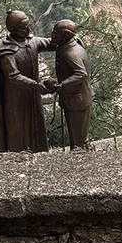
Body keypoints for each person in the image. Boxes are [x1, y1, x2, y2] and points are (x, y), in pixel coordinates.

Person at [0, 9, 54, 153]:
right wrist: (35, 85)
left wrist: (70, 38)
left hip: (33, 96)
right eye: (24, 27)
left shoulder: (33, 42)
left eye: (28, 25)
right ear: (14, 30)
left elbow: (51, 43)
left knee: (36, 128)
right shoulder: (7, 52)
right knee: (18, 130)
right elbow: (13, 76)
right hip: (15, 101)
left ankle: (38, 154)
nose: (28, 29)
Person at [43, 19, 93, 150]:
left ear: (65, 36)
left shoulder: (70, 53)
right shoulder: (70, 46)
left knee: (78, 138)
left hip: (77, 101)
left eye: (55, 34)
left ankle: (81, 162)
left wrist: (62, 85)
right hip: (76, 98)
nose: (52, 36)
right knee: (77, 135)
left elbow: (81, 74)